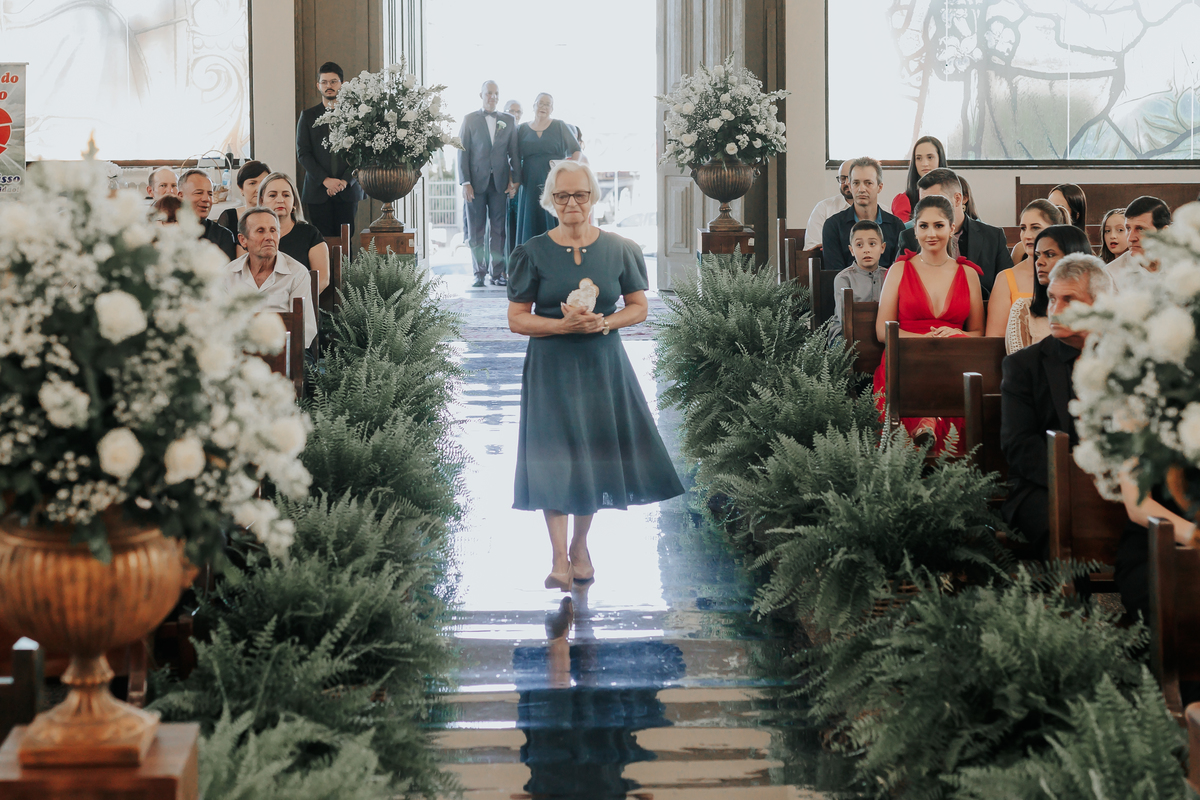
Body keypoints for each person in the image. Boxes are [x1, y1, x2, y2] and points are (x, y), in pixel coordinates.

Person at [506, 161, 684, 590]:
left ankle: (580, 546)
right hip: (550, 367)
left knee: (591, 455)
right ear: (550, 200)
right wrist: (560, 326)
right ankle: (557, 559)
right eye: (562, 195)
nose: (572, 203)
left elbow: (638, 307)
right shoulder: (531, 252)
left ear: (593, 198)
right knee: (553, 456)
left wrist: (603, 322)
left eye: (580, 195)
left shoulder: (620, 249)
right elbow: (516, 318)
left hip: (602, 364)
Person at [999, 254, 1114, 559]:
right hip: (1044, 485)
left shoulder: (1126, 361)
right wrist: (1078, 481)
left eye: (1068, 300)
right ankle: (1070, 590)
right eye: (1052, 298)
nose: (1055, 310)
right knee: (1060, 522)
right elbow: (1019, 445)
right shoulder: (1023, 366)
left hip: (1119, 481)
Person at [873, 195, 985, 451]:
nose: (931, 233)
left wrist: (957, 335)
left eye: (938, 225)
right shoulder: (899, 270)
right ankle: (926, 425)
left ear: (952, 228)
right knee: (924, 365)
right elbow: (882, 331)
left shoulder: (968, 274)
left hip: (953, 357)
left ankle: (929, 426)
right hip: (905, 357)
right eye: (923, 226)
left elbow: (978, 332)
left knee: (949, 367)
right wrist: (923, 341)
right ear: (914, 229)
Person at [897, 168, 1012, 299]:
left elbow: (1008, 287)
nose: (929, 208)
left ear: (958, 199)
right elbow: (900, 289)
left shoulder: (993, 237)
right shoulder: (909, 237)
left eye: (937, 201)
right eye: (923, 203)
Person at [460, 80, 522, 288]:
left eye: (496, 93)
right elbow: (462, 152)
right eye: (489, 93)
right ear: (481, 95)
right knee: (476, 231)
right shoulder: (469, 119)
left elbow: (514, 153)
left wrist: (515, 181)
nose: (493, 97)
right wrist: (465, 182)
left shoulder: (509, 120)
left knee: (498, 231)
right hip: (475, 185)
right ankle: (479, 273)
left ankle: (497, 274)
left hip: (499, 184)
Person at [226, 208, 317, 348]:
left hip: (286, 349)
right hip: (239, 350)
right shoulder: (228, 274)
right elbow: (219, 323)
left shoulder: (297, 273)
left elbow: (306, 329)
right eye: (260, 231)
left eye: (273, 230)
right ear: (243, 240)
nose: (269, 237)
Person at [296, 61, 365, 238]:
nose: (329, 86)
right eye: (324, 82)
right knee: (320, 242)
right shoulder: (308, 116)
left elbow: (361, 154)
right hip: (317, 191)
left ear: (342, 84)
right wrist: (326, 180)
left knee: (346, 242)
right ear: (318, 85)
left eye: (333, 81)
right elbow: (303, 153)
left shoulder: (355, 116)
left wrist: (344, 182)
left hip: (347, 190)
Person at [1003, 225, 1094, 354]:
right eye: (1037, 255)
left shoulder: (1099, 310)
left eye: (1050, 255)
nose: (1039, 262)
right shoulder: (1024, 309)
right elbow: (1019, 363)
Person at [985, 200, 1063, 345]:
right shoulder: (1006, 278)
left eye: (1035, 228)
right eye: (1023, 228)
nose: (1027, 235)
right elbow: (994, 338)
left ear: (1055, 230)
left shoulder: (1068, 274)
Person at [515, 93, 581, 250]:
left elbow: (576, 150)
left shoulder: (559, 126)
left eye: (547, 104)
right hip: (529, 183)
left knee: (552, 218)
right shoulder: (522, 129)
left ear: (552, 109)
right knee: (529, 221)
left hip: (554, 182)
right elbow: (514, 156)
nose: (543, 107)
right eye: (540, 103)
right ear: (534, 105)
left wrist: (570, 173)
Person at [820, 157, 905, 274]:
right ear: (850, 186)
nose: (861, 189)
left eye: (868, 183)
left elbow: (899, 272)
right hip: (846, 285)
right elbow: (835, 274)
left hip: (887, 285)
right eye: (856, 183)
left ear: (879, 187)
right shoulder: (833, 226)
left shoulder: (896, 226)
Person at [257, 172, 330, 294]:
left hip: (300, 301)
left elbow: (322, 280)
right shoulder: (251, 234)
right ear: (261, 201)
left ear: (294, 202)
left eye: (286, 195)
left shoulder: (310, 234)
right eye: (272, 195)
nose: (280, 200)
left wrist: (295, 301)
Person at [829, 219, 888, 344]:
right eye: (859, 245)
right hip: (845, 332)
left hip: (881, 330)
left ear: (882, 247)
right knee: (841, 346)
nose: (866, 250)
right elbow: (844, 318)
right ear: (851, 250)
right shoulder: (844, 278)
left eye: (872, 244)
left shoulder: (889, 276)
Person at [1106, 195, 1171, 289]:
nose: (1130, 238)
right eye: (1128, 228)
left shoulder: (1185, 266)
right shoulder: (1111, 274)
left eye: (1140, 229)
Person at [180, 169, 236, 261]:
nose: (206, 199)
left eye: (210, 194)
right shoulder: (167, 231)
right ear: (180, 196)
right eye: (199, 193)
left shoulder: (223, 236)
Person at [891, 136, 945, 223]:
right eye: (918, 158)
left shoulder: (954, 195)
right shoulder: (904, 200)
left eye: (930, 157)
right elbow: (903, 230)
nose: (924, 163)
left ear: (940, 159)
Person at [803, 159, 852, 250]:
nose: (846, 183)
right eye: (842, 178)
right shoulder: (824, 208)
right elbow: (812, 249)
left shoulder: (879, 209)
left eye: (851, 178)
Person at [217, 160, 270, 233]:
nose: (259, 189)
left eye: (263, 183)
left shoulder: (277, 216)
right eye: (252, 183)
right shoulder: (229, 217)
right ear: (241, 188)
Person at [504, 100, 524, 259]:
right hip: (505, 184)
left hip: (522, 185)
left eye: (518, 112)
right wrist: (510, 181)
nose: (515, 115)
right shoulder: (500, 132)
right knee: (506, 226)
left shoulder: (523, 132)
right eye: (511, 111)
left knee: (520, 225)